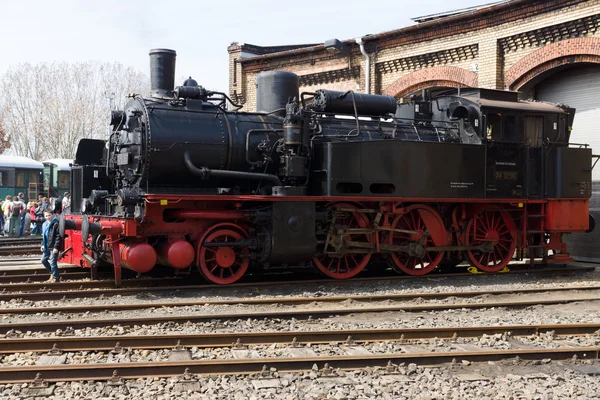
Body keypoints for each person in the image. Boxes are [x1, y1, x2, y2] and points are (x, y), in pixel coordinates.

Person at [40, 208, 62, 282]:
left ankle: (56, 278)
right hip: (46, 245)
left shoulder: (56, 223)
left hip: (53, 246)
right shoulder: (44, 224)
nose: (47, 217)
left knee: (53, 262)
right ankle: (52, 273)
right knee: (43, 260)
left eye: (49, 215)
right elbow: (43, 235)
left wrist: (56, 247)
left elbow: (59, 236)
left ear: (52, 215)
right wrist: (42, 244)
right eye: (46, 216)